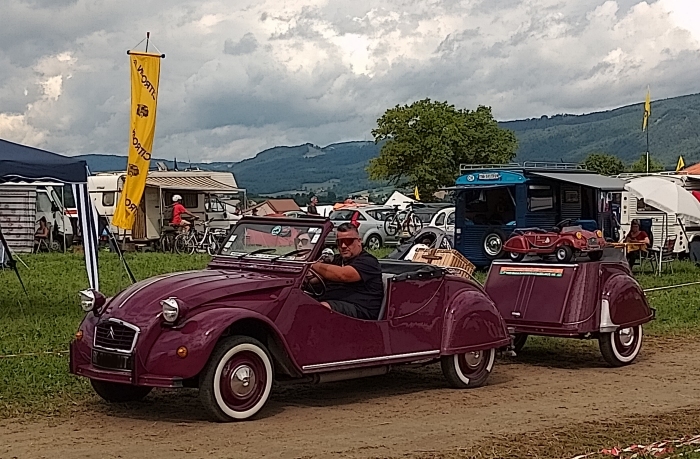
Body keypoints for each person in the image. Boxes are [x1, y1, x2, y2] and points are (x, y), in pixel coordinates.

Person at [310, 223, 384, 320]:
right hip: (336, 303)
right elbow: (314, 278)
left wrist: (310, 263)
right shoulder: (336, 260)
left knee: (322, 308)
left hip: (360, 309)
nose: (344, 246)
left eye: (348, 241)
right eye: (340, 242)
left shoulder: (368, 261)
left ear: (359, 241)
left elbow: (343, 275)